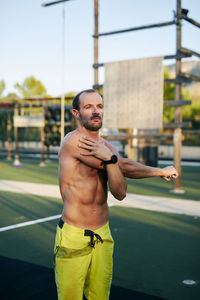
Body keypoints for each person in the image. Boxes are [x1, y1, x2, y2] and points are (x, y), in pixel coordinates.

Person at [54, 89, 178, 300]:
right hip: (74, 235)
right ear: (76, 113)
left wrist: (160, 171)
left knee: (100, 295)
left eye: (99, 106)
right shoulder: (73, 142)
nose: (96, 111)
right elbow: (121, 165)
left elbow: (120, 187)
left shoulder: (107, 147)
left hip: (103, 234)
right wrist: (155, 170)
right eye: (88, 107)